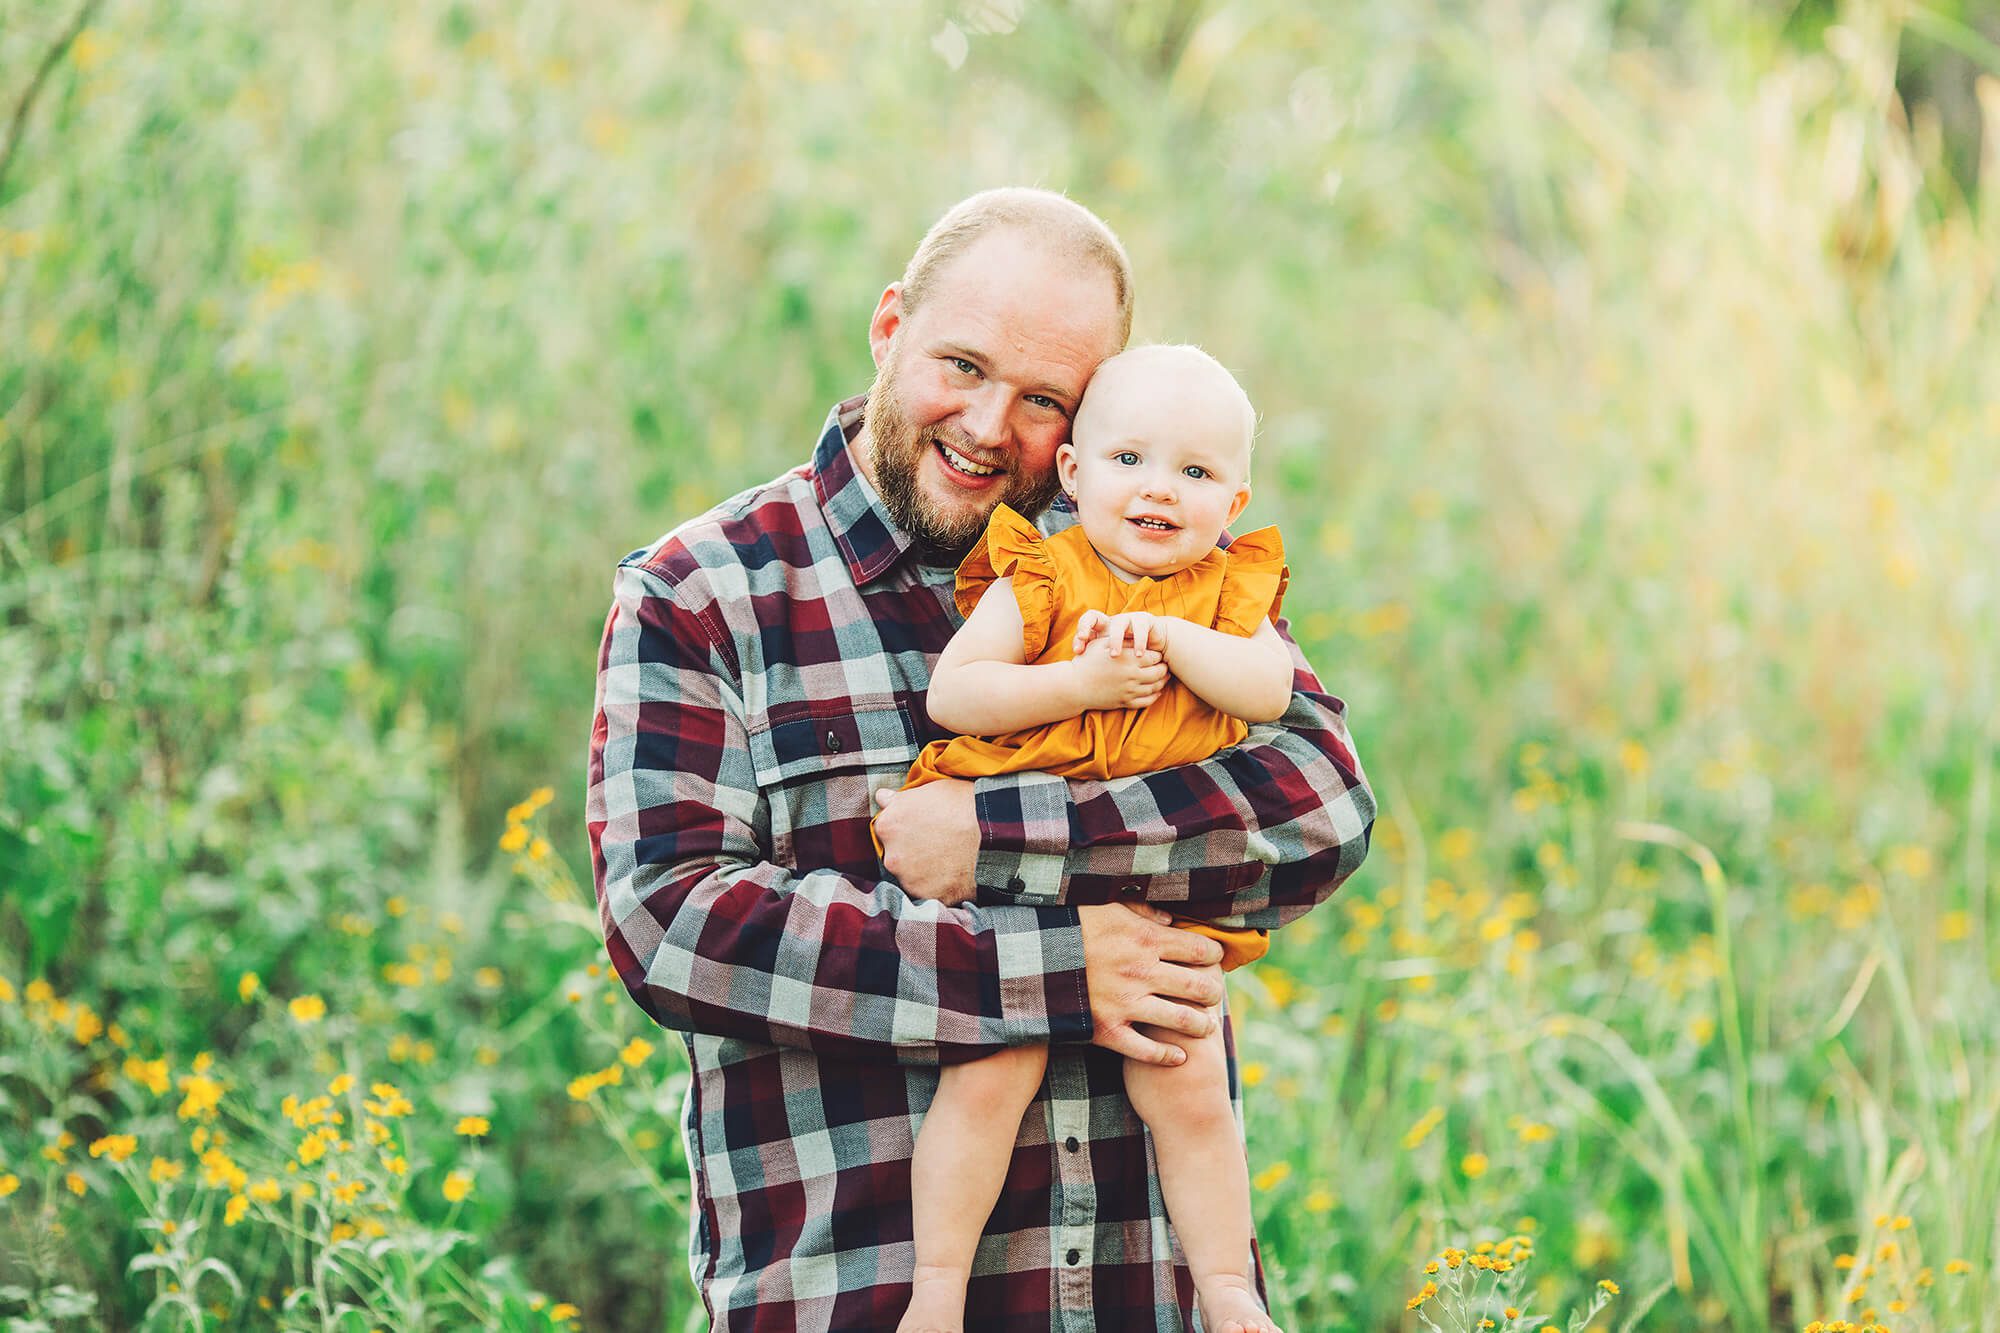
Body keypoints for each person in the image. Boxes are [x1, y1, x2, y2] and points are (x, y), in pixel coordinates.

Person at [588, 188, 1374, 1331]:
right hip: (852, 1298)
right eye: (961, 365)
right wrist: (1055, 969)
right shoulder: (704, 594)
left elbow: (1323, 803)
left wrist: (1003, 838)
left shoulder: (1140, 556)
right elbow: (674, 924)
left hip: (1134, 1296)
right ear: (888, 325)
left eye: (1043, 399)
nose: (990, 423)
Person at [897, 344, 1292, 1333]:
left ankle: (1229, 1290)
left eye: (1194, 474)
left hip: (1151, 893)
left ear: (1232, 502)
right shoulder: (1042, 573)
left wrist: (1168, 643)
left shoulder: (1225, 596)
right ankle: (936, 1291)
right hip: (1018, 880)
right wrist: (1075, 683)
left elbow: (1269, 692)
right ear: (1071, 473)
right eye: (1128, 461)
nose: (1158, 490)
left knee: (1190, 1082)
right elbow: (956, 692)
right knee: (990, 1074)